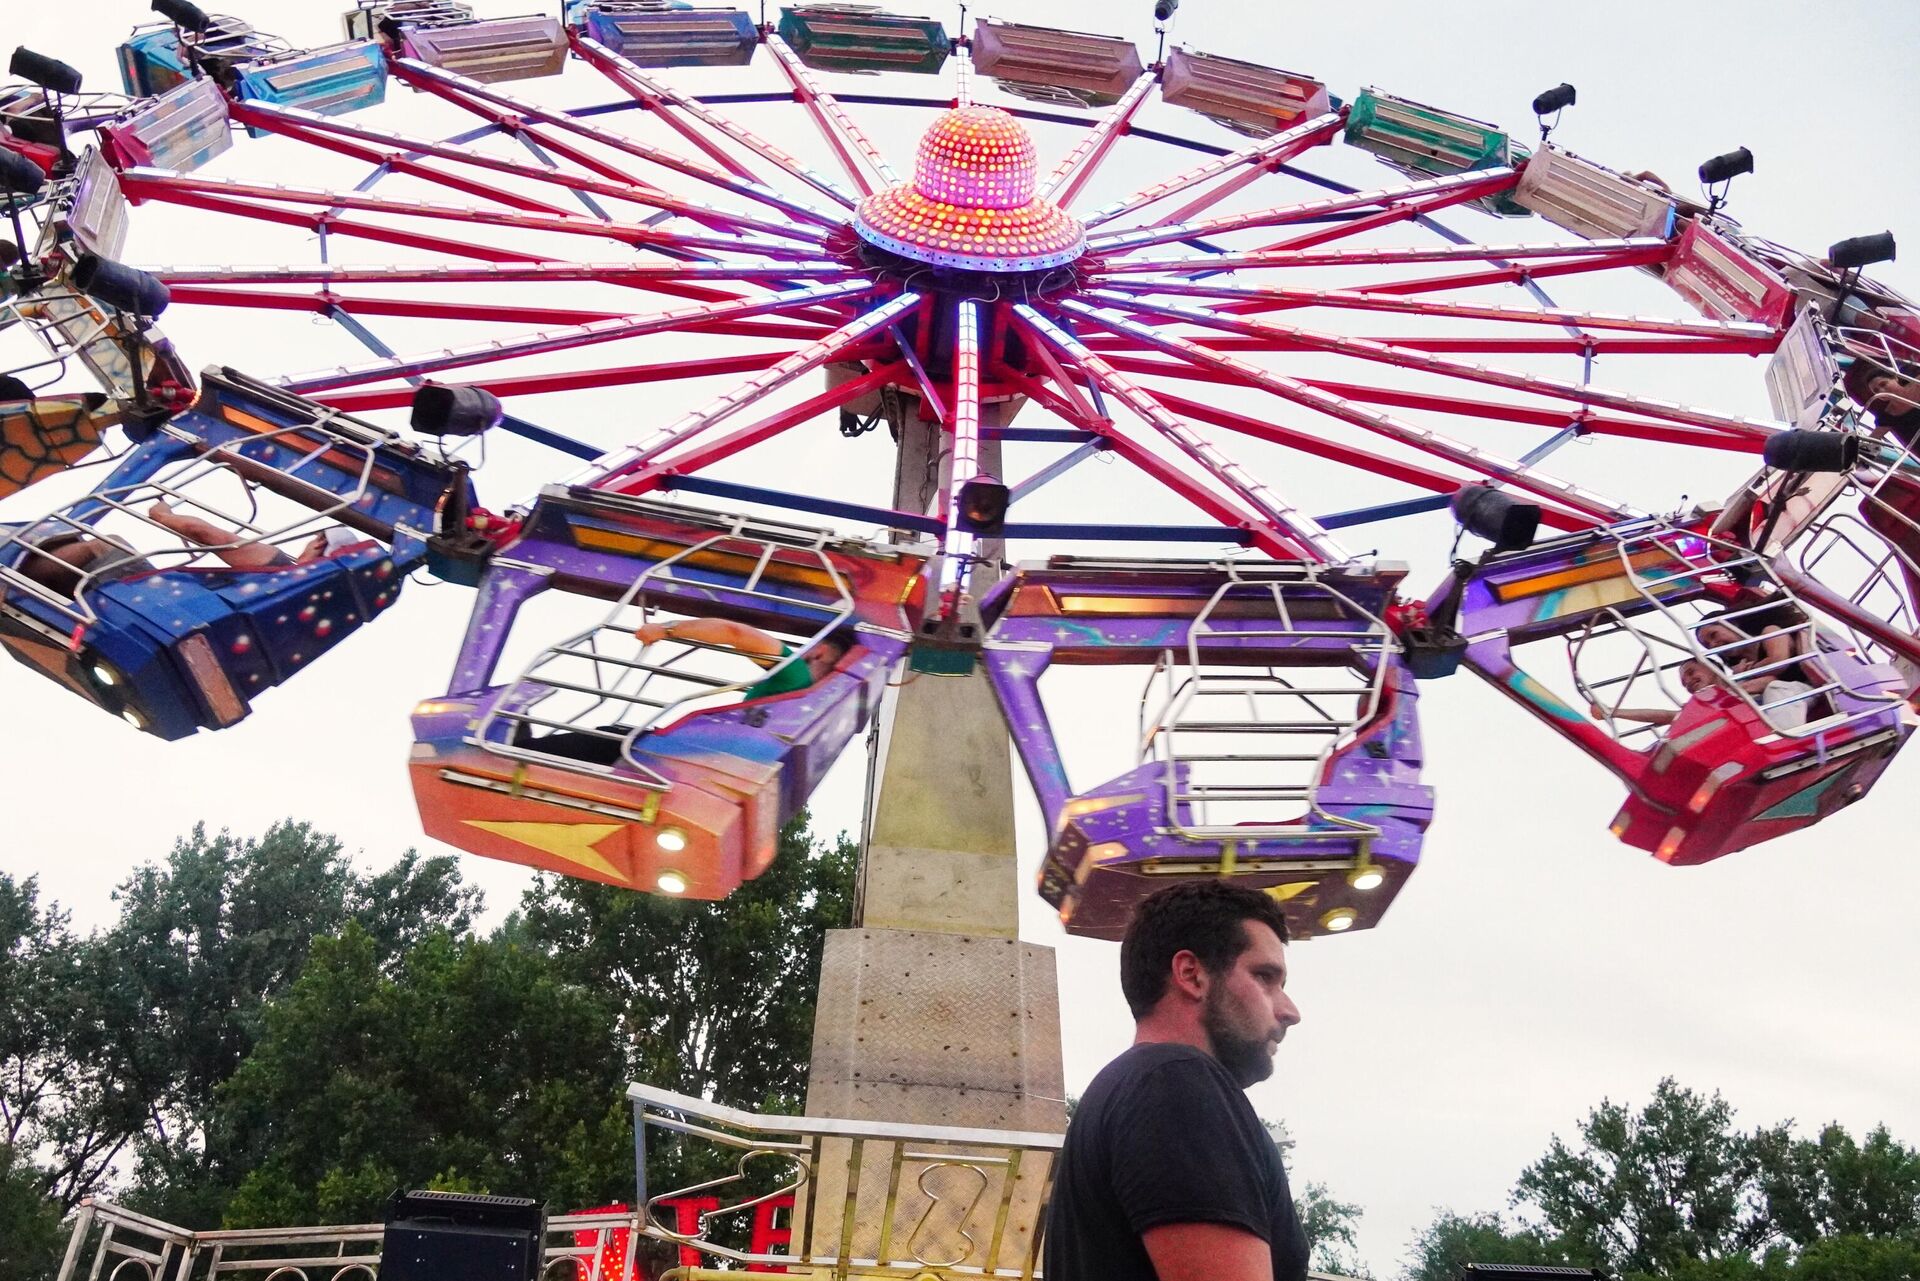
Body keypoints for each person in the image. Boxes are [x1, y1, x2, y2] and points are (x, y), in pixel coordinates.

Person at [1044, 880, 1308, 1281]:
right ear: (1191, 974)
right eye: (1265, 977)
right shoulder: (1177, 1083)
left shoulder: (1126, 1089)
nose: (1290, 1011)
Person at [148, 501, 361, 569]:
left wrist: (163, 516)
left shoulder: (278, 569)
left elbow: (205, 533)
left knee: (114, 544)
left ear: (319, 543)